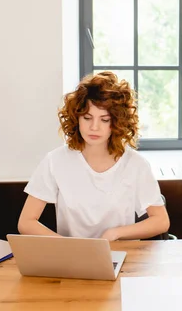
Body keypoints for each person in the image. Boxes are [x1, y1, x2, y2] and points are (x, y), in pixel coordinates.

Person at [18, 71, 170, 240]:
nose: (94, 127)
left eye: (104, 119)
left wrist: (115, 233)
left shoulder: (135, 164)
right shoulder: (55, 161)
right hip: (72, 259)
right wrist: (66, 246)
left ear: (117, 123)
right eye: (87, 118)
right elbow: (26, 222)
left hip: (121, 255)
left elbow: (161, 221)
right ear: (77, 118)